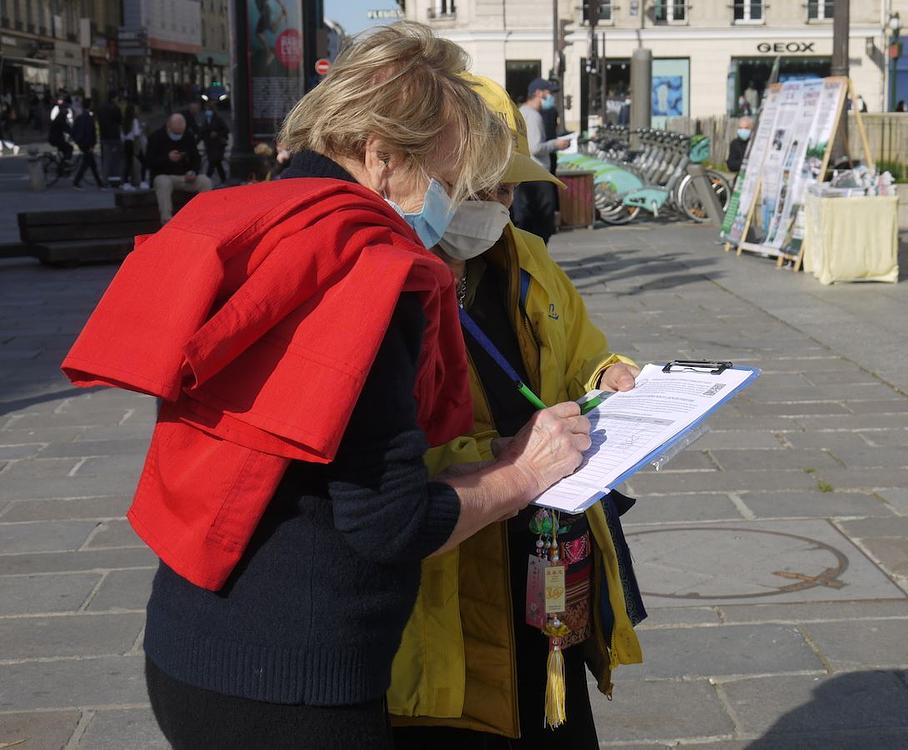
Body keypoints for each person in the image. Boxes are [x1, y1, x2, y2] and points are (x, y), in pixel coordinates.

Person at [62, 22, 591, 750]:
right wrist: (525, 473)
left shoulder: (257, 218)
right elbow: (391, 526)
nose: (447, 206)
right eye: (444, 180)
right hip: (296, 684)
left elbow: (314, 456)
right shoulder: (367, 268)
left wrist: (487, 457)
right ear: (379, 156)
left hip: (189, 643)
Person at [390, 75, 645, 750]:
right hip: (453, 571)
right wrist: (505, 460)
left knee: (552, 718)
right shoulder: (393, 278)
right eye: (482, 189)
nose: (498, 205)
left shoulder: (526, 256)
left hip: (547, 555)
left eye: (508, 189)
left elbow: (579, 351)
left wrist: (606, 372)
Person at [512, 78, 570, 244]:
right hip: (537, 175)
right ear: (538, 93)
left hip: (526, 173)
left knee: (528, 221)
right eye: (548, 92)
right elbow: (535, 147)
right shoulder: (534, 116)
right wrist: (556, 144)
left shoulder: (521, 112)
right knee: (543, 222)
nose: (551, 96)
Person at [146, 113, 212, 223]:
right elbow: (149, 162)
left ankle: (205, 216)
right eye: (176, 132)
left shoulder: (188, 136)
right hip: (165, 175)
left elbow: (196, 158)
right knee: (163, 182)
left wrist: (193, 171)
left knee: (205, 181)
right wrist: (167, 158)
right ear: (169, 126)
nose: (178, 135)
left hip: (185, 177)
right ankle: (167, 220)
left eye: (180, 132)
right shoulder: (156, 137)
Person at [70, 98, 104, 190]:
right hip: (87, 144)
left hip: (82, 143)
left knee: (91, 164)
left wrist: (77, 141)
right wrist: (91, 145)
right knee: (87, 164)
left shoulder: (80, 117)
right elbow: (90, 132)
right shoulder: (88, 118)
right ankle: (76, 182)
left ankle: (100, 184)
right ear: (90, 105)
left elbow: (73, 131)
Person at [96, 92, 123, 186]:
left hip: (104, 136)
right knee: (116, 160)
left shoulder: (101, 108)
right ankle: (115, 180)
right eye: (116, 98)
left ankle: (105, 180)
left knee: (106, 159)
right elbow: (120, 121)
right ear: (113, 98)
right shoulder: (115, 108)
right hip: (114, 136)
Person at [200, 102, 230, 182]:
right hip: (210, 145)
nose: (207, 111)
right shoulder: (206, 120)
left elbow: (226, 130)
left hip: (217, 145)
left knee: (212, 162)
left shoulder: (218, 119)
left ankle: (207, 179)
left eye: (208, 109)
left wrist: (217, 133)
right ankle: (223, 179)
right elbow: (203, 132)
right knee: (217, 163)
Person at [48, 99, 73, 166]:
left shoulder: (61, 116)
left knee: (65, 149)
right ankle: (65, 162)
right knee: (69, 148)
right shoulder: (60, 117)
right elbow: (66, 128)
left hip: (56, 138)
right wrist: (74, 134)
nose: (67, 111)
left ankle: (63, 165)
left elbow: (67, 127)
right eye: (66, 109)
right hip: (56, 139)